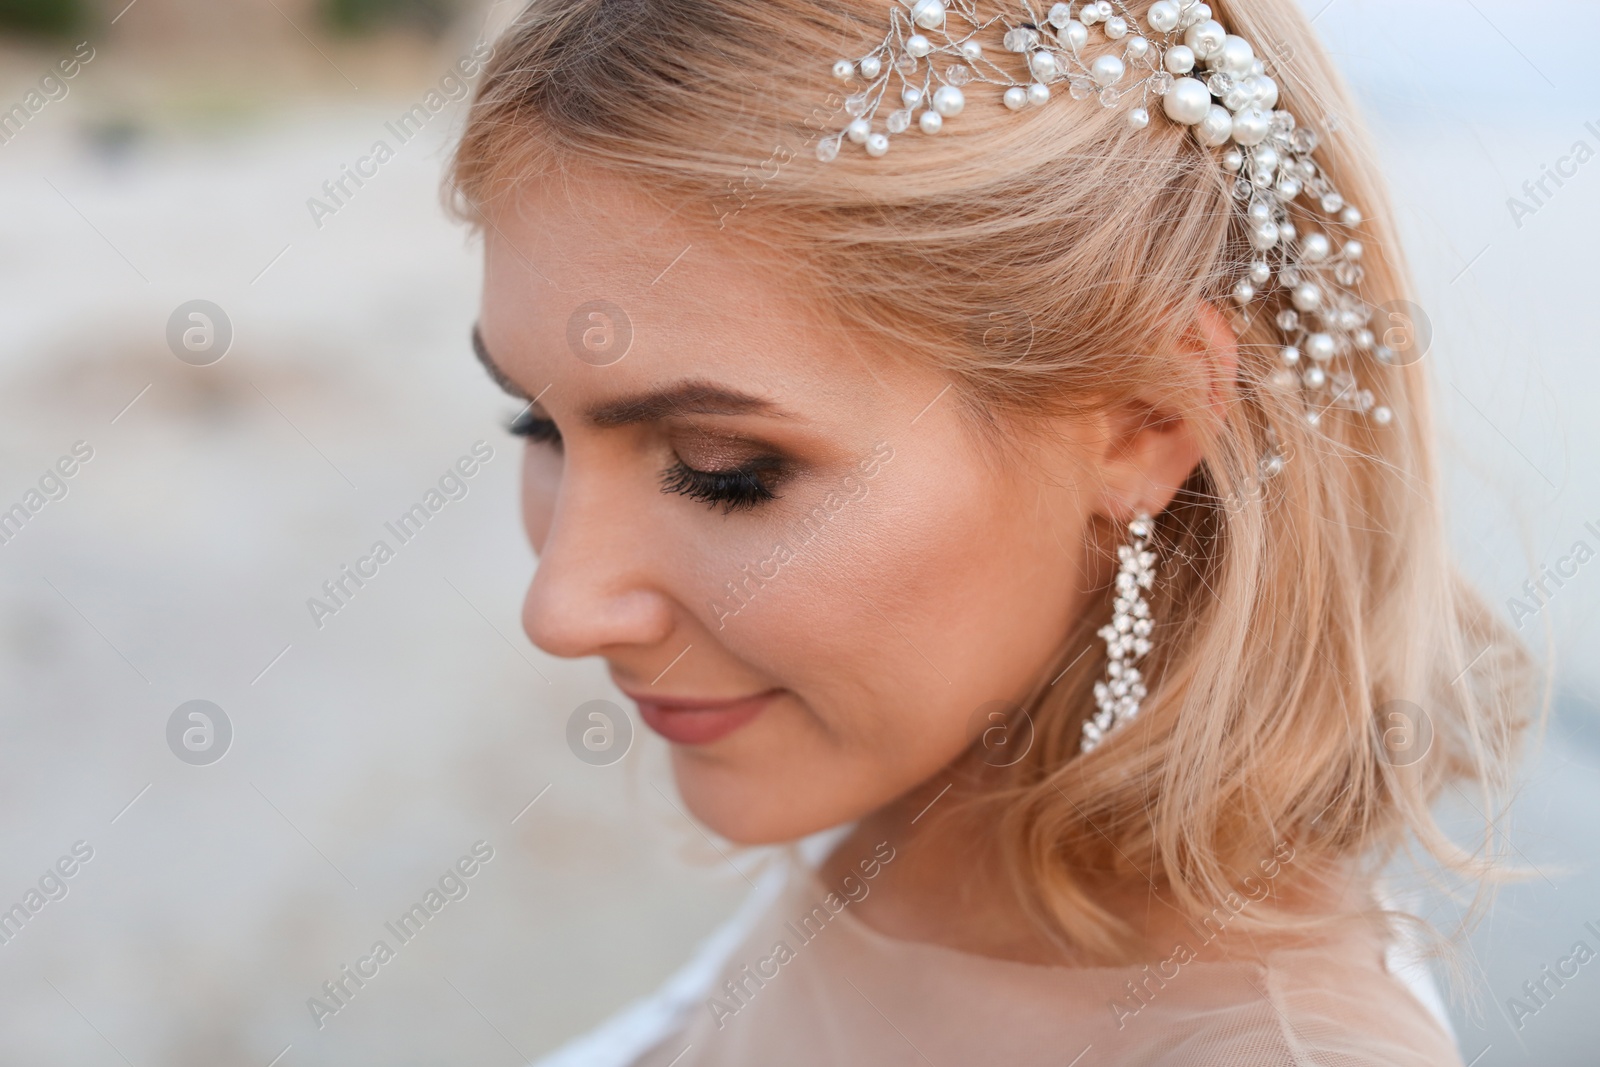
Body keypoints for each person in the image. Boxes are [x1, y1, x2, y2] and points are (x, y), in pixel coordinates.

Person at [448, 0, 1533, 1062]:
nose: (561, 607)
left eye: (725, 472)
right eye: (535, 421)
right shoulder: (925, 799)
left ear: (1145, 422)